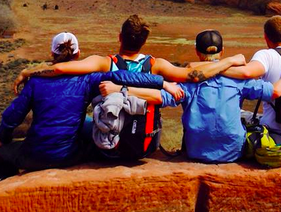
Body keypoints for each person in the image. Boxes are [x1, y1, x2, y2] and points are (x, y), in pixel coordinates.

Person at [99, 29, 281, 163]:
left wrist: (121, 90)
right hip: (233, 153)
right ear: (221, 52)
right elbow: (276, 91)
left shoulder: (189, 80)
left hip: (196, 151)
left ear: (197, 52)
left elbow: (158, 97)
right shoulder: (238, 78)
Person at [0, 32, 174, 178]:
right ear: (77, 54)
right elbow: (123, 76)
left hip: (34, 155)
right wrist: (162, 83)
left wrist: (5, 139)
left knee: (5, 153)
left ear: (52, 54)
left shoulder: (36, 82)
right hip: (70, 156)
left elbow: (10, 120)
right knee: (89, 130)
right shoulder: (88, 79)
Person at [14, 14, 244, 93]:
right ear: (144, 41)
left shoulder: (105, 63)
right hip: (144, 140)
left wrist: (28, 71)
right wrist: (229, 61)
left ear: (120, 37)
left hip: (110, 137)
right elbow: (194, 75)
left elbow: (61, 68)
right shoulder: (157, 65)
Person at [222, 15, 281, 153]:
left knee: (240, 115)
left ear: (266, 37)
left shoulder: (266, 55)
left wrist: (216, 68)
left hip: (277, 138)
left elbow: (248, 72)